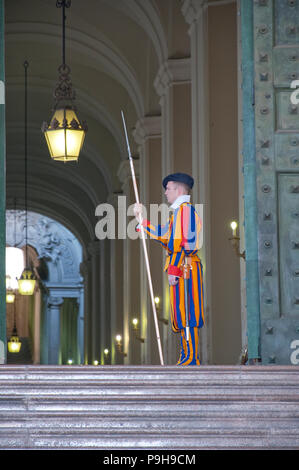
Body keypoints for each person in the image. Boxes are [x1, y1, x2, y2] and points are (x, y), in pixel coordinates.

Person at [134, 172, 204, 365]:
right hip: (182, 266)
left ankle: (190, 357)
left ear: (180, 189)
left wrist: (174, 270)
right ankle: (186, 355)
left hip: (186, 267)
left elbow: (180, 242)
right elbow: (166, 234)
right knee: (181, 313)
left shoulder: (186, 211)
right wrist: (143, 222)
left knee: (188, 312)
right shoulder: (180, 213)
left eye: (169, 188)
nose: (165, 192)